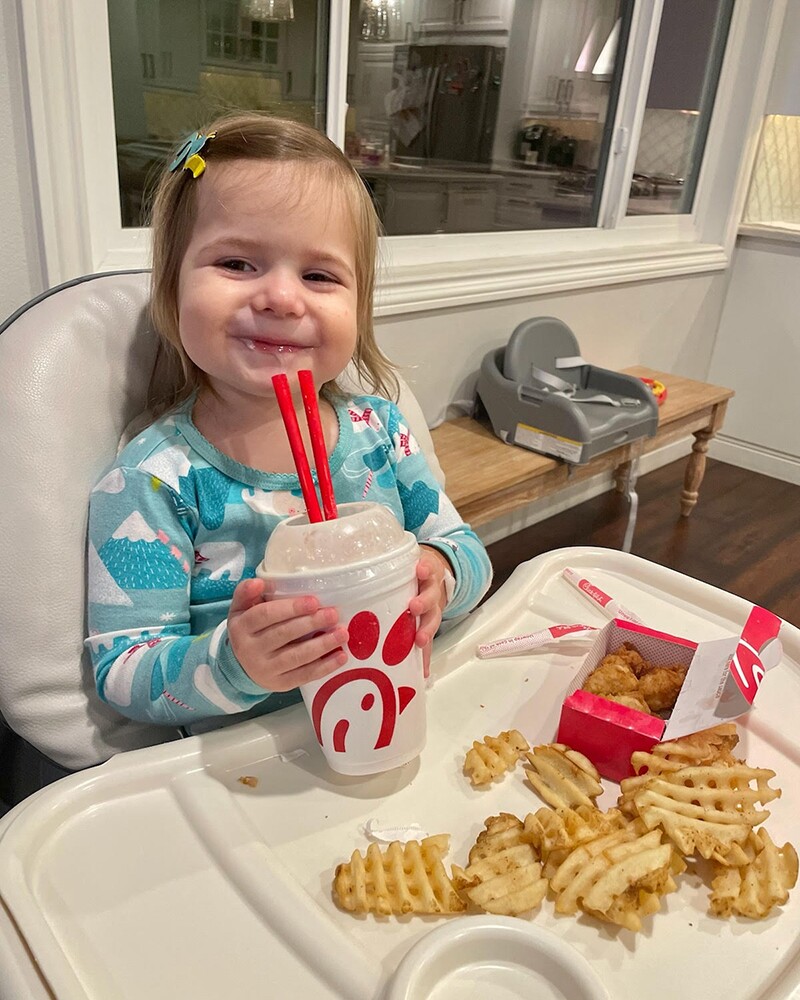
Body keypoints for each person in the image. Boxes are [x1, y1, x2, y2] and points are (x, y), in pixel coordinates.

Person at [86, 113, 492, 729]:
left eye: (319, 275)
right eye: (237, 264)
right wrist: (234, 663)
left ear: (358, 306)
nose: (281, 297)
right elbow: (121, 668)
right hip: (242, 769)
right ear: (171, 289)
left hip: (394, 719)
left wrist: (439, 574)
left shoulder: (381, 433)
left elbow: (467, 552)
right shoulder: (152, 481)